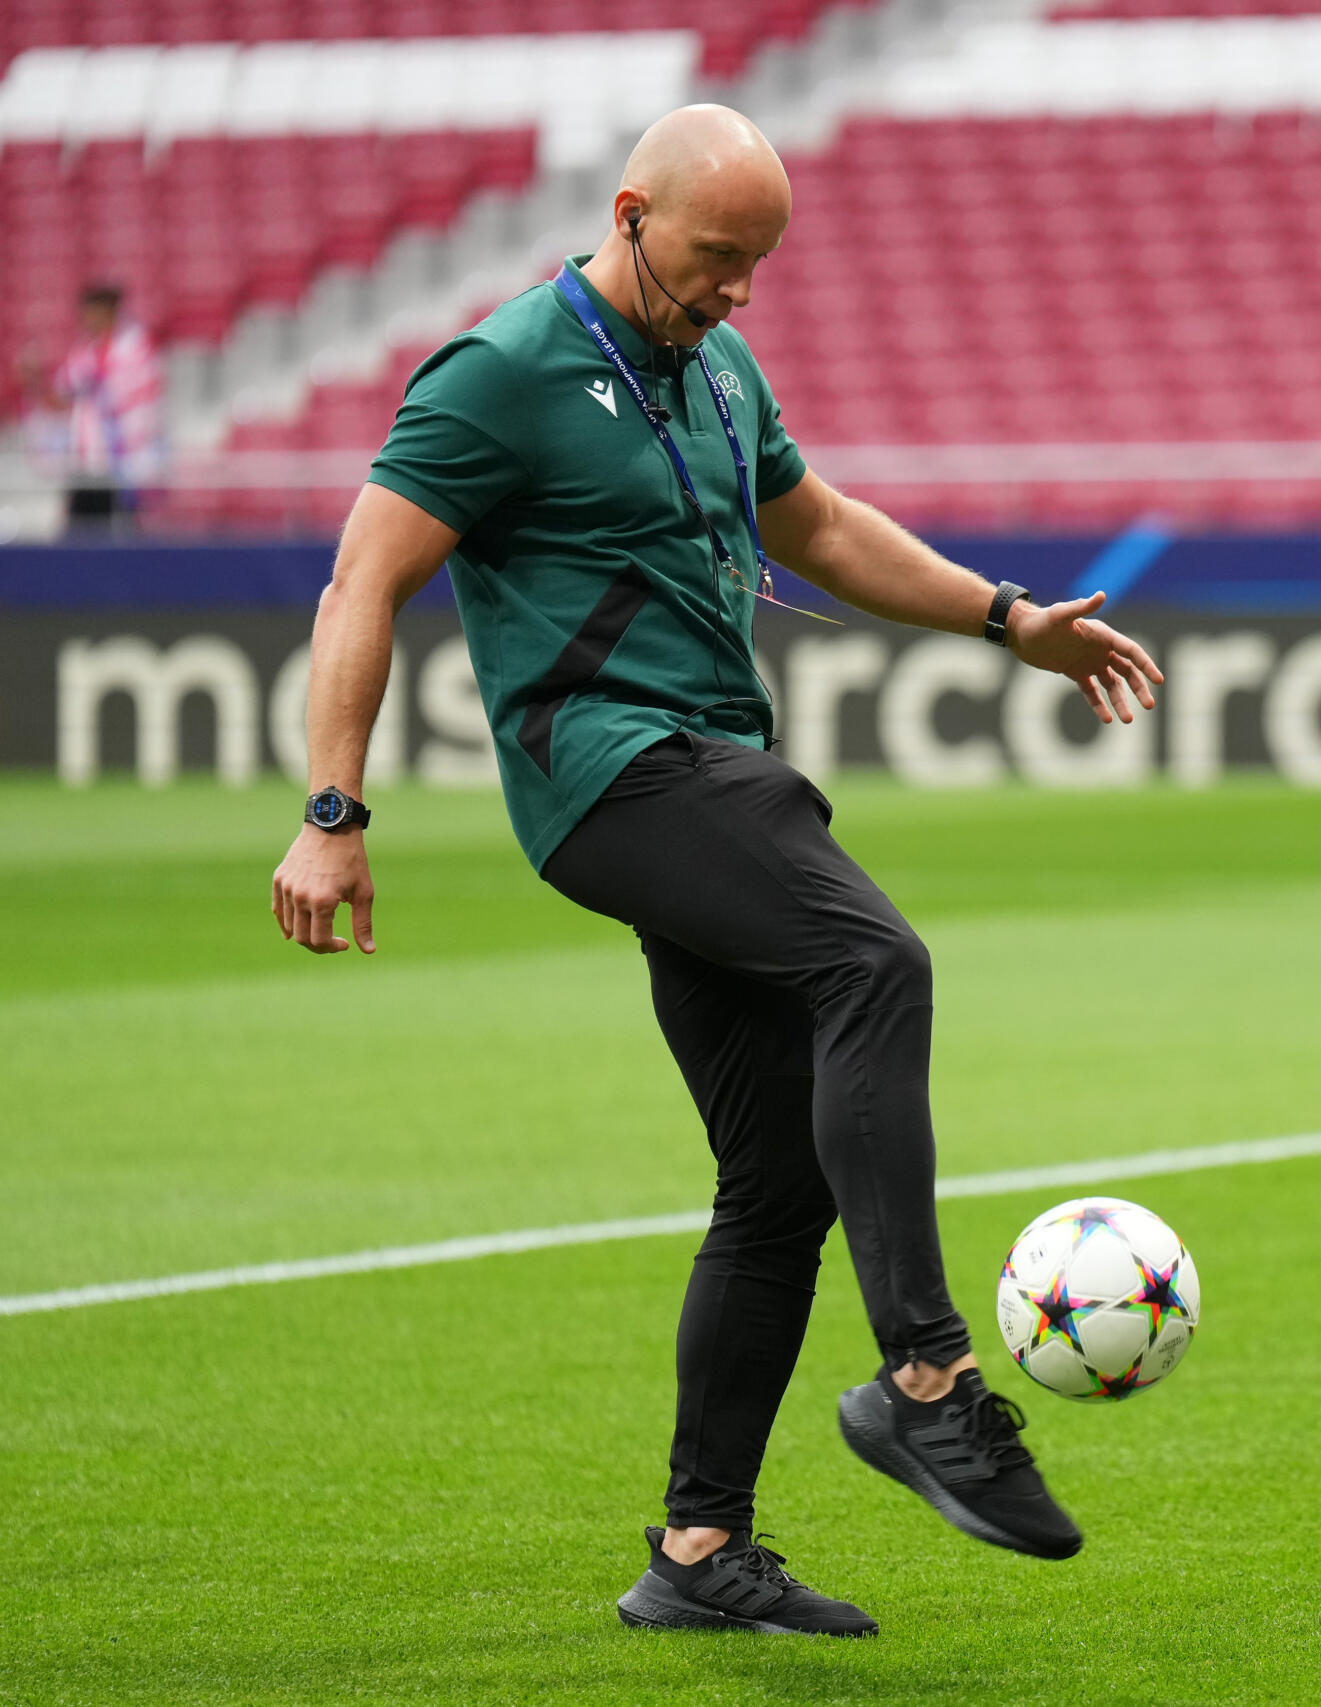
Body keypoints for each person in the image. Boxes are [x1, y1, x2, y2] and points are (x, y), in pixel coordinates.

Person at [267, 105, 1163, 1638]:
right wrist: (332, 806)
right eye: (715, 256)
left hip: (698, 777)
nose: (740, 288)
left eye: (760, 264)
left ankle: (696, 1550)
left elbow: (817, 527)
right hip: (614, 770)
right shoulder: (500, 374)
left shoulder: (716, 366)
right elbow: (365, 576)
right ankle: (929, 1378)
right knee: (872, 960)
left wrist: (1009, 618)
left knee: (778, 1179)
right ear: (629, 215)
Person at [24, 282, 165, 529]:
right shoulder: (84, 353)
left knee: (125, 541)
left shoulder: (135, 349)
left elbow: (130, 399)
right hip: (88, 465)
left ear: (111, 311)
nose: (87, 320)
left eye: (93, 313)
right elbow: (61, 399)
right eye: (85, 314)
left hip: (125, 467)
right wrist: (35, 383)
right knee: (78, 541)